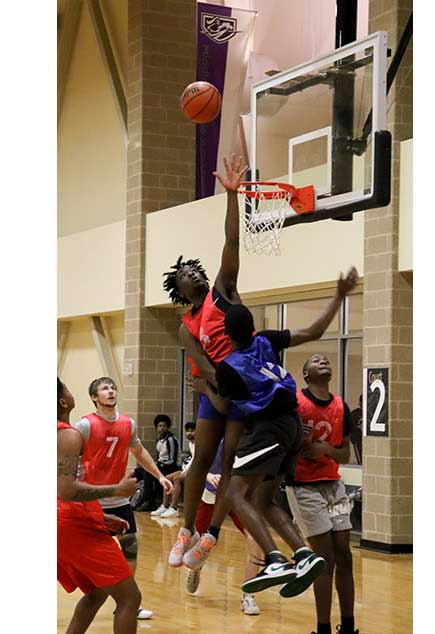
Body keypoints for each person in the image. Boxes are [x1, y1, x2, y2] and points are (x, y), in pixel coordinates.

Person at [182, 267, 360, 578]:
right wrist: (338, 296)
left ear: (224, 333)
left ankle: (275, 559)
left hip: (269, 429)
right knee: (263, 500)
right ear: (251, 327)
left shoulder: (228, 367)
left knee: (236, 493)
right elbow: (313, 333)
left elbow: (224, 404)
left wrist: (204, 388)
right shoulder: (265, 340)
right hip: (293, 427)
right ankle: (303, 553)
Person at [162, 154, 251, 568]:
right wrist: (213, 390)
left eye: (196, 268)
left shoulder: (223, 291)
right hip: (217, 389)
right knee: (201, 459)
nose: (194, 273)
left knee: (231, 464)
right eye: (186, 274)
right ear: (178, 289)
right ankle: (186, 529)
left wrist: (232, 196)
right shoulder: (186, 324)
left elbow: (231, 243)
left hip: (242, 386)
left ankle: (212, 535)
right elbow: (203, 364)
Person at [75, 377, 173, 621]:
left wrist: (160, 477)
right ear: (95, 398)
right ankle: (99, 600)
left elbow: (139, 452)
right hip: (93, 502)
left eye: (113, 387)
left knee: (131, 550)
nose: (110, 391)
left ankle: (128, 602)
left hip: (119, 503)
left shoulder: (127, 423)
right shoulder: (85, 425)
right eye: (104, 389)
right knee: (96, 561)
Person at [57, 378, 142, 634]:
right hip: (73, 526)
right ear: (63, 401)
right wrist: (118, 489)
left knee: (98, 591)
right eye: (69, 389)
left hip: (73, 520)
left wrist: (100, 516)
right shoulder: (70, 435)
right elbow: (67, 490)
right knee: (130, 598)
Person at [287, 355, 359, 634]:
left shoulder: (341, 405)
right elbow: (285, 445)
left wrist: (325, 450)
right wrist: (301, 443)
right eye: (316, 360)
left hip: (333, 486)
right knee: (324, 558)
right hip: (304, 487)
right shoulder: (296, 404)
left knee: (345, 554)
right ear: (306, 375)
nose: (323, 361)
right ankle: (323, 628)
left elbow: (344, 453)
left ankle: (349, 626)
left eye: (326, 359)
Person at [184, 438, 264, 616]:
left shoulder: (254, 434)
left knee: (255, 537)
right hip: (210, 495)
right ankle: (196, 568)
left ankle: (249, 594)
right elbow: (195, 464)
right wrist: (209, 475)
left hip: (238, 496)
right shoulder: (213, 430)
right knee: (200, 542)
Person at [151, 420, 196, 518]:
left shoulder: (199, 444)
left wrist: (184, 473)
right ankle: (165, 506)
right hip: (185, 468)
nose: (189, 433)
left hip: (194, 470)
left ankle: (174, 508)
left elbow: (195, 461)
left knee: (177, 479)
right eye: (187, 431)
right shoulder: (190, 444)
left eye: (192, 431)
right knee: (166, 478)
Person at [149, 415, 181, 516]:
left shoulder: (171, 440)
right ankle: (146, 499)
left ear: (168, 427)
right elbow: (159, 455)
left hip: (172, 466)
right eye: (160, 426)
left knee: (151, 473)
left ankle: (151, 502)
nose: (162, 428)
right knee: (143, 471)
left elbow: (172, 458)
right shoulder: (158, 440)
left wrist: (159, 465)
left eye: (164, 426)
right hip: (161, 464)